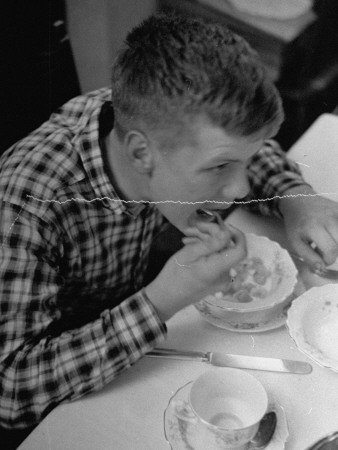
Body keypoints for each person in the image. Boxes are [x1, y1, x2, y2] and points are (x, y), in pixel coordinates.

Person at [1, 13, 338, 432]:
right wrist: (163, 299)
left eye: (243, 163)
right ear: (140, 154)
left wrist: (294, 199)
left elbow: (241, 146)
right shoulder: (28, 204)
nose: (238, 188)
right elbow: (11, 387)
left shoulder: (157, 121)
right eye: (219, 167)